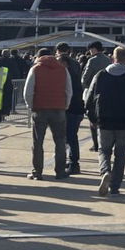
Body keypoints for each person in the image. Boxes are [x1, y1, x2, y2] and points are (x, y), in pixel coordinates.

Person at [88, 46, 125, 196]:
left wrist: (92, 117)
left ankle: (105, 171)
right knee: (120, 154)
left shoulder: (101, 75)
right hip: (124, 122)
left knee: (104, 150)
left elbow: (90, 97)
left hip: (104, 120)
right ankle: (115, 186)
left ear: (113, 58)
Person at [23, 47, 71, 181]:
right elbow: (68, 90)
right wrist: (65, 105)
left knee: (38, 142)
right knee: (60, 141)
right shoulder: (63, 69)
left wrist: (31, 106)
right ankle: (60, 171)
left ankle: (37, 172)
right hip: (59, 109)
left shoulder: (35, 69)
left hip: (40, 108)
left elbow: (28, 91)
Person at [56, 43, 85, 175]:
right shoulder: (75, 69)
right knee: (70, 136)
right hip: (76, 107)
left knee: (71, 136)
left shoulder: (67, 76)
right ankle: (72, 161)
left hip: (71, 108)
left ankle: (74, 163)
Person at [80, 41, 111, 154]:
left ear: (94, 49)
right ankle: (105, 143)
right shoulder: (108, 60)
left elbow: (85, 78)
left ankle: (96, 144)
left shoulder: (92, 60)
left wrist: (84, 86)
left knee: (92, 120)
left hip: (93, 92)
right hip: (107, 92)